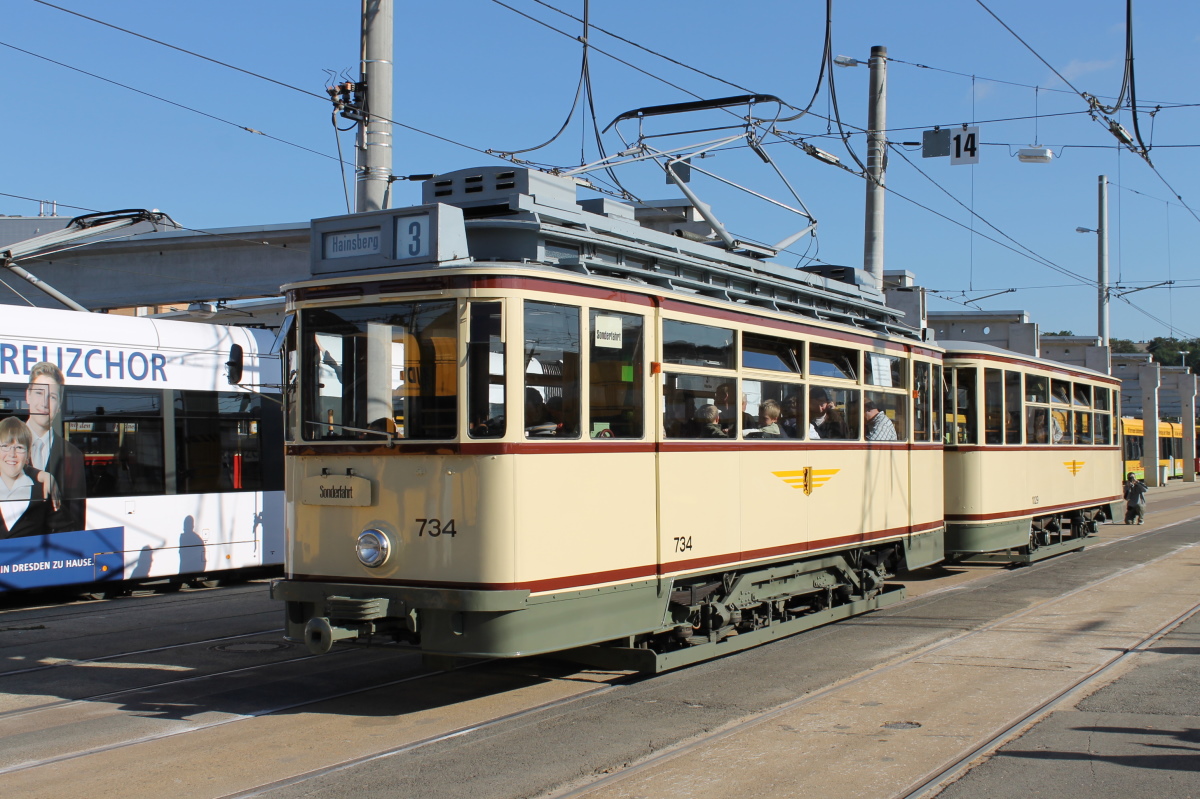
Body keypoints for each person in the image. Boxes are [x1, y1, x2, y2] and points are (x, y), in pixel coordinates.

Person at [26, 362, 86, 532]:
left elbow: (76, 519)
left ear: (59, 405)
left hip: (55, 545)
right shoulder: (4, 445)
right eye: (39, 393)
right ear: (28, 395)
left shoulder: (73, 455)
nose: (44, 403)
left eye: (52, 397)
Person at [0, 417, 49, 539]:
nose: (12, 454)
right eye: (5, 446)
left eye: (19, 447)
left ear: (28, 455)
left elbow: (65, 533)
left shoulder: (43, 490)